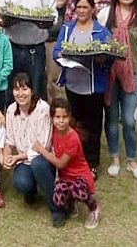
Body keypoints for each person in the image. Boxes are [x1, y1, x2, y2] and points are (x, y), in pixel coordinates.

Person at [97, 0, 137, 180]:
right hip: (110, 75)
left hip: (133, 74)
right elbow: (99, 44)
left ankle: (132, 159)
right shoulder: (105, 15)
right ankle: (114, 159)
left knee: (129, 120)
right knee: (111, 118)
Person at [53, 0, 113, 178]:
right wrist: (62, 55)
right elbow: (56, 51)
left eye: (85, 7)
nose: (81, 10)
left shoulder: (101, 32)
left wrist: (100, 58)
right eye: (78, 7)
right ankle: (76, 158)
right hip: (72, 85)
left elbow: (110, 57)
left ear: (92, 9)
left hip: (92, 87)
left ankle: (92, 162)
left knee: (93, 126)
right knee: (75, 124)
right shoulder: (67, 29)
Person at [2, 72, 64, 227]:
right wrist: (7, 155)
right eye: (16, 89)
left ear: (32, 90)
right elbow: (9, 140)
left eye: (24, 89)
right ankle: (31, 192)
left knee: (37, 163)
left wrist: (17, 158)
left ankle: (56, 208)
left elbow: (43, 147)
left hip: (44, 158)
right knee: (21, 183)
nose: (20, 94)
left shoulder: (43, 109)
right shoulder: (10, 110)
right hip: (24, 160)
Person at [0, 0, 57, 103]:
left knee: (35, 90)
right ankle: (13, 124)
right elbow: (0, 16)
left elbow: (53, 17)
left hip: (35, 49)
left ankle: (35, 125)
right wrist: (7, 21)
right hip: (12, 48)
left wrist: (40, 22)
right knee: (12, 92)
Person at [32, 98, 101, 229]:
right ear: (52, 118)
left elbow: (60, 164)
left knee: (78, 190)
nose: (61, 120)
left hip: (79, 177)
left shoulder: (73, 138)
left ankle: (94, 207)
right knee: (57, 198)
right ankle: (71, 201)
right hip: (65, 177)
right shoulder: (53, 131)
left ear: (70, 117)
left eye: (65, 117)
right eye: (57, 117)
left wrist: (41, 149)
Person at [39, 0, 72, 102]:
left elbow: (61, 2)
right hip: (37, 36)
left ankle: (58, 114)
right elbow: (54, 2)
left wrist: (43, 2)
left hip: (54, 37)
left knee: (54, 80)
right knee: (39, 79)